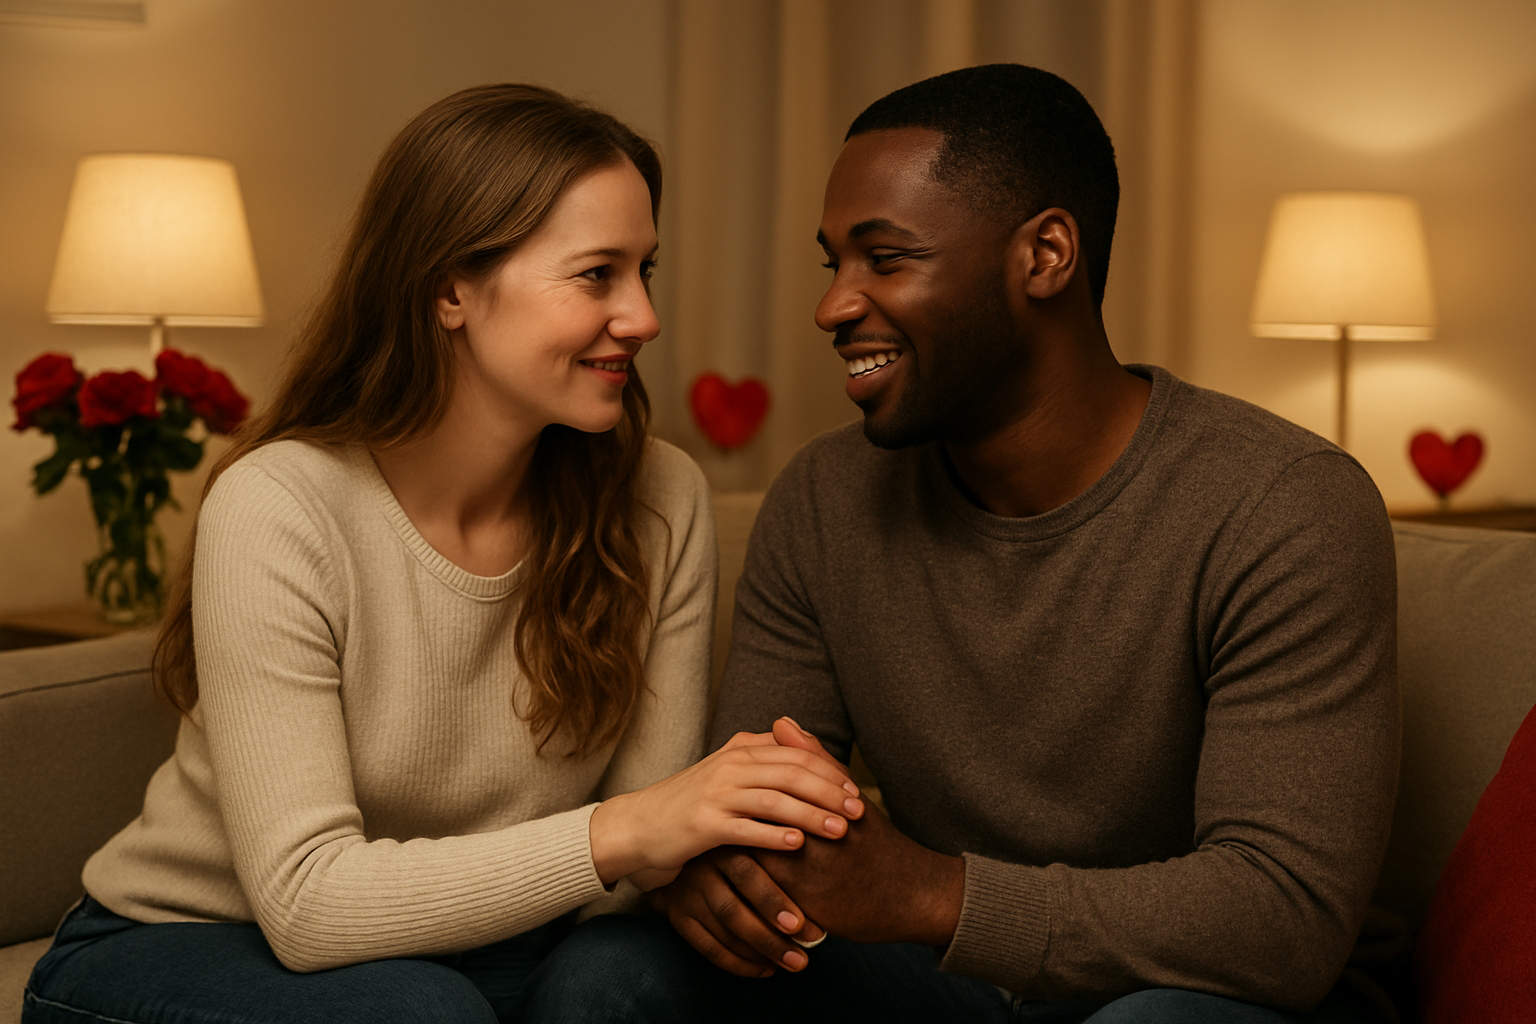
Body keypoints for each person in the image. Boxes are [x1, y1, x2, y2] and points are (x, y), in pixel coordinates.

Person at [518, 64, 1399, 1023]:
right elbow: (763, 820)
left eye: (886, 259)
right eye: (834, 264)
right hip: (944, 984)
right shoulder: (823, 499)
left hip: (1187, 995)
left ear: (1047, 254)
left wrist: (929, 892)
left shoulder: (1281, 506)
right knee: (617, 969)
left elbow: (1280, 917)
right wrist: (721, 875)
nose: (834, 307)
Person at [21, 84, 864, 1024]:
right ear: (450, 289)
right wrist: (635, 827)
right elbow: (306, 905)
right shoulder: (280, 505)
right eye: (597, 275)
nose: (643, 317)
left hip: (498, 944)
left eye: (646, 271)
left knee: (617, 987)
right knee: (422, 1013)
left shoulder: (659, 497)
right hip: (194, 940)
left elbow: (634, 876)